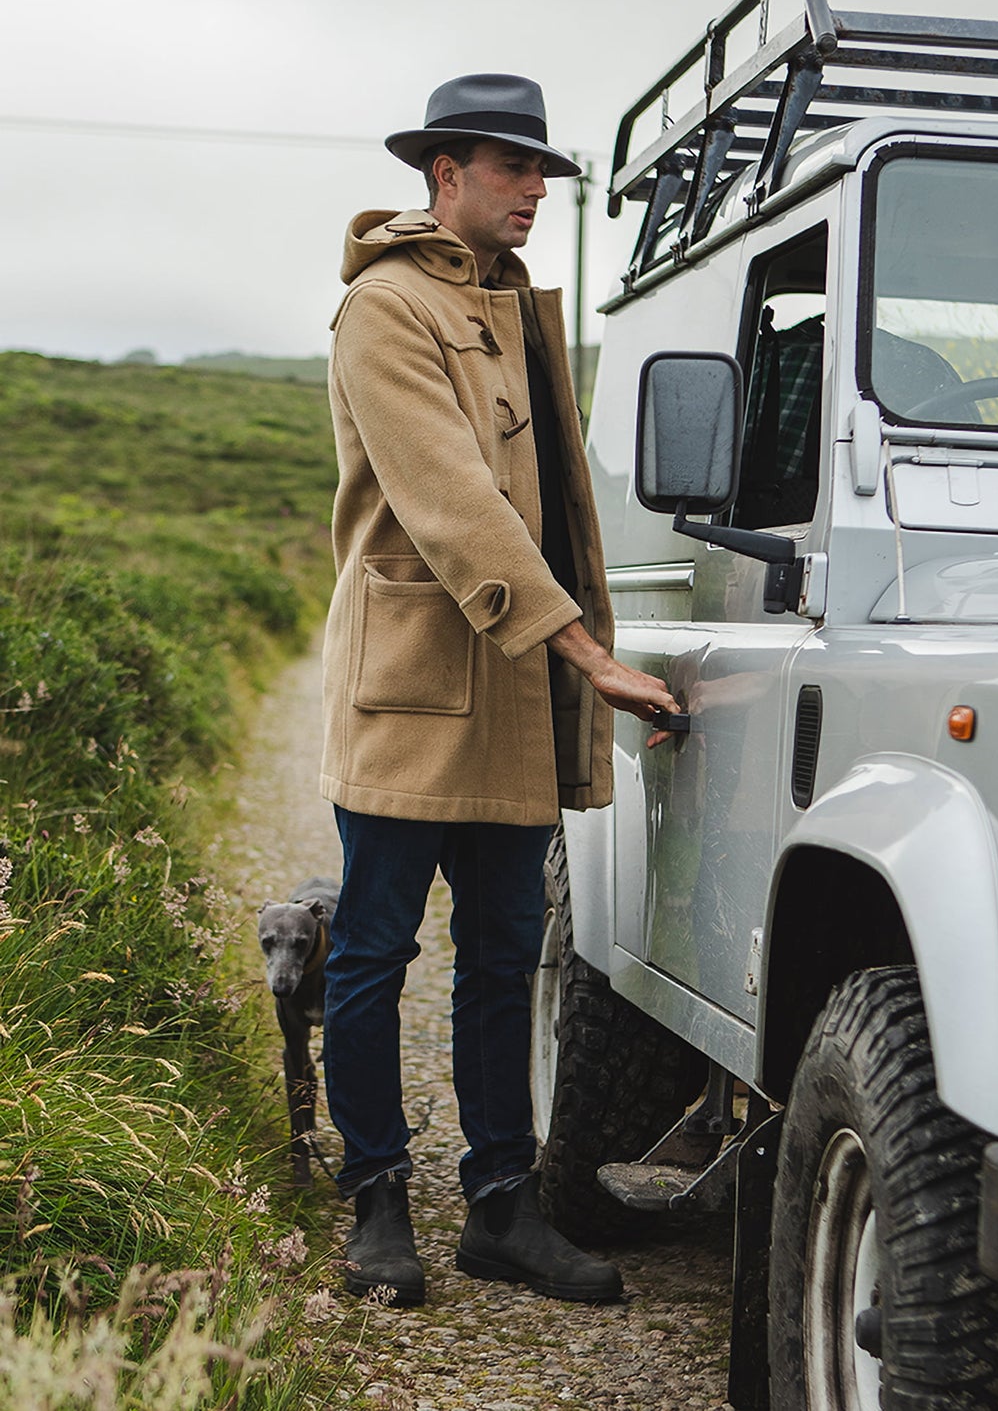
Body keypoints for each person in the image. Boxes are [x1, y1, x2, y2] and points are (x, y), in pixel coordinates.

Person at [319, 73, 679, 1307]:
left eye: (541, 171)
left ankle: (499, 1208)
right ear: (445, 173)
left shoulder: (511, 300)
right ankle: (376, 1196)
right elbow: (451, 498)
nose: (534, 189)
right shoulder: (383, 305)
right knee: (373, 948)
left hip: (512, 689)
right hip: (411, 685)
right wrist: (588, 653)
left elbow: (558, 505)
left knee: (503, 955)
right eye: (512, 166)